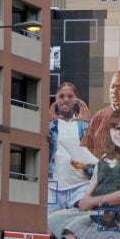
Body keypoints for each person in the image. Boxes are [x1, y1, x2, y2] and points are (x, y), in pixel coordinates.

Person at [48, 109, 120, 239]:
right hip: (93, 210)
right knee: (52, 219)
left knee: (76, 226)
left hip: (118, 214)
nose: (119, 133)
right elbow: (90, 190)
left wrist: (94, 201)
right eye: (114, 129)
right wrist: (86, 201)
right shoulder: (104, 158)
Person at [48, 82, 93, 214]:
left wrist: (90, 123)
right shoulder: (51, 124)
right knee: (50, 228)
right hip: (52, 187)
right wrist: (47, 123)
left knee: (76, 227)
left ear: (76, 100)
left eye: (70, 96)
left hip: (80, 185)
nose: (66, 99)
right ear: (56, 99)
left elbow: (96, 149)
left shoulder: (82, 124)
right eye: (61, 96)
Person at [81, 70, 120, 159]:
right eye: (112, 87)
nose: (114, 91)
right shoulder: (99, 116)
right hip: (102, 170)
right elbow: (86, 148)